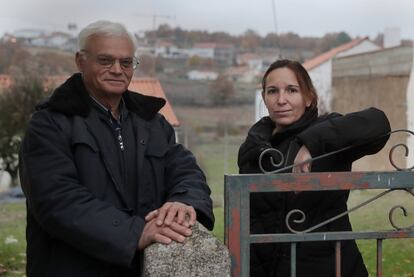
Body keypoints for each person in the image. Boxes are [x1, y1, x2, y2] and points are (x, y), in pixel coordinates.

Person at [19, 20, 214, 277]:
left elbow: (185, 169)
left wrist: (183, 201)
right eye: (105, 60)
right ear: (80, 61)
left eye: (126, 62)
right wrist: (135, 232)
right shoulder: (49, 124)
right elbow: (57, 200)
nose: (116, 70)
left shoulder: (153, 122)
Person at [238, 59, 390, 277]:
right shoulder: (253, 148)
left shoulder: (329, 132)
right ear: (264, 98)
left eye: (292, 90)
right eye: (273, 91)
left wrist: (311, 143)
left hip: (329, 267)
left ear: (308, 97)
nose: (281, 100)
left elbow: (378, 124)